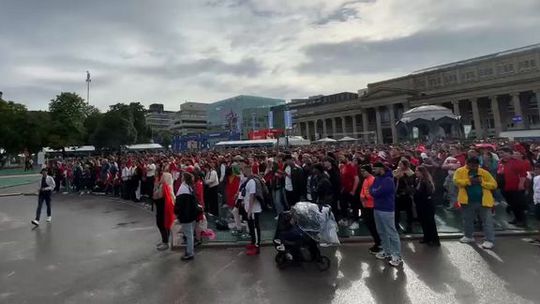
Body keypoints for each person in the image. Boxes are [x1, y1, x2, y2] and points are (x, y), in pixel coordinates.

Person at [454, 157, 497, 249]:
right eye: (471, 165)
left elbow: (494, 184)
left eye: (476, 165)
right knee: (467, 219)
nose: (473, 167)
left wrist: (482, 182)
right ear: (467, 164)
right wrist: (469, 181)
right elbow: (456, 181)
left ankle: (489, 240)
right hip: (467, 201)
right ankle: (468, 236)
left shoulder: (484, 172)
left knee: (487, 221)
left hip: (484, 201)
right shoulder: (459, 171)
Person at [370, 162, 402, 267]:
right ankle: (386, 251)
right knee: (382, 232)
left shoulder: (388, 180)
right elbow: (372, 190)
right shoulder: (377, 179)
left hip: (387, 210)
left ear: (381, 169)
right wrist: (374, 191)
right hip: (377, 208)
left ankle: (397, 256)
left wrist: (374, 191)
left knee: (391, 232)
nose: (373, 170)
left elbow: (378, 192)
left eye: (375, 168)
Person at [499, 147, 528, 226]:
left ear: (509, 153)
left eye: (504, 153)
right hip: (505, 187)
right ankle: (516, 218)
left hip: (515, 187)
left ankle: (522, 220)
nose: (502, 155)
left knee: (518, 204)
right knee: (511, 204)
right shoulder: (500, 162)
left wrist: (521, 184)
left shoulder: (516, 162)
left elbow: (523, 174)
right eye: (500, 153)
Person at [239, 159, 263, 255]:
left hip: (253, 209)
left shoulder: (252, 181)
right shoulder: (249, 180)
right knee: (251, 227)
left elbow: (252, 196)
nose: (243, 172)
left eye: (244, 170)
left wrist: (249, 210)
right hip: (250, 208)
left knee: (255, 227)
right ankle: (253, 242)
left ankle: (257, 246)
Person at [175, 172, 200, 261]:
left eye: (182, 176)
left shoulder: (183, 189)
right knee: (190, 234)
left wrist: (177, 213)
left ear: (184, 179)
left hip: (186, 215)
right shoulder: (189, 187)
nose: (181, 177)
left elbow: (179, 204)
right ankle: (190, 251)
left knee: (189, 235)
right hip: (191, 214)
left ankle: (190, 253)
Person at [414, 165, 440, 246]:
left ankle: (434, 240)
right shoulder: (418, 180)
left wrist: (416, 193)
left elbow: (427, 193)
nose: (415, 172)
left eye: (417, 171)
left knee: (430, 222)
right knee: (423, 222)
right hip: (420, 205)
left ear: (422, 172)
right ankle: (427, 238)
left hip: (427, 205)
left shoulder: (426, 181)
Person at [359, 164, 382, 254]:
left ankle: (379, 243)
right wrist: (362, 199)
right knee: (370, 226)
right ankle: (377, 242)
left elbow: (373, 194)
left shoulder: (372, 180)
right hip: (366, 206)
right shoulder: (365, 180)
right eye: (361, 171)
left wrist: (364, 198)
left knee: (373, 227)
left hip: (372, 207)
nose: (362, 173)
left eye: (364, 171)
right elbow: (362, 192)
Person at [393, 159, 415, 233]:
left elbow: (411, 183)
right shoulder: (396, 171)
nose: (399, 165)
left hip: (406, 195)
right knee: (396, 211)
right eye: (399, 163)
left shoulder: (410, 173)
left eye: (401, 164)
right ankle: (396, 226)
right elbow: (394, 179)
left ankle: (409, 227)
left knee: (409, 211)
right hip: (397, 195)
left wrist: (403, 175)